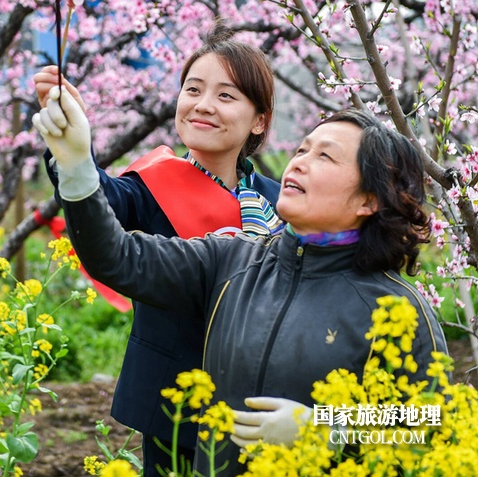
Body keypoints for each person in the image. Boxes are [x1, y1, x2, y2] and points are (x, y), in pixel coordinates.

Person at [32, 94, 448, 476]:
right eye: (302, 148)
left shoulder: (398, 310)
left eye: (325, 157)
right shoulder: (233, 258)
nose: (299, 161)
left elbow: (430, 426)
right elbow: (117, 258)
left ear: (369, 200)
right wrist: (76, 169)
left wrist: (327, 430)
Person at [34, 26, 284, 476]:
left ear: (259, 119)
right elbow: (99, 200)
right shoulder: (148, 185)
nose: (203, 104)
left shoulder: (280, 200)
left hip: (264, 408)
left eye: (226, 96)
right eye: (193, 89)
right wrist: (72, 154)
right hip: (175, 408)